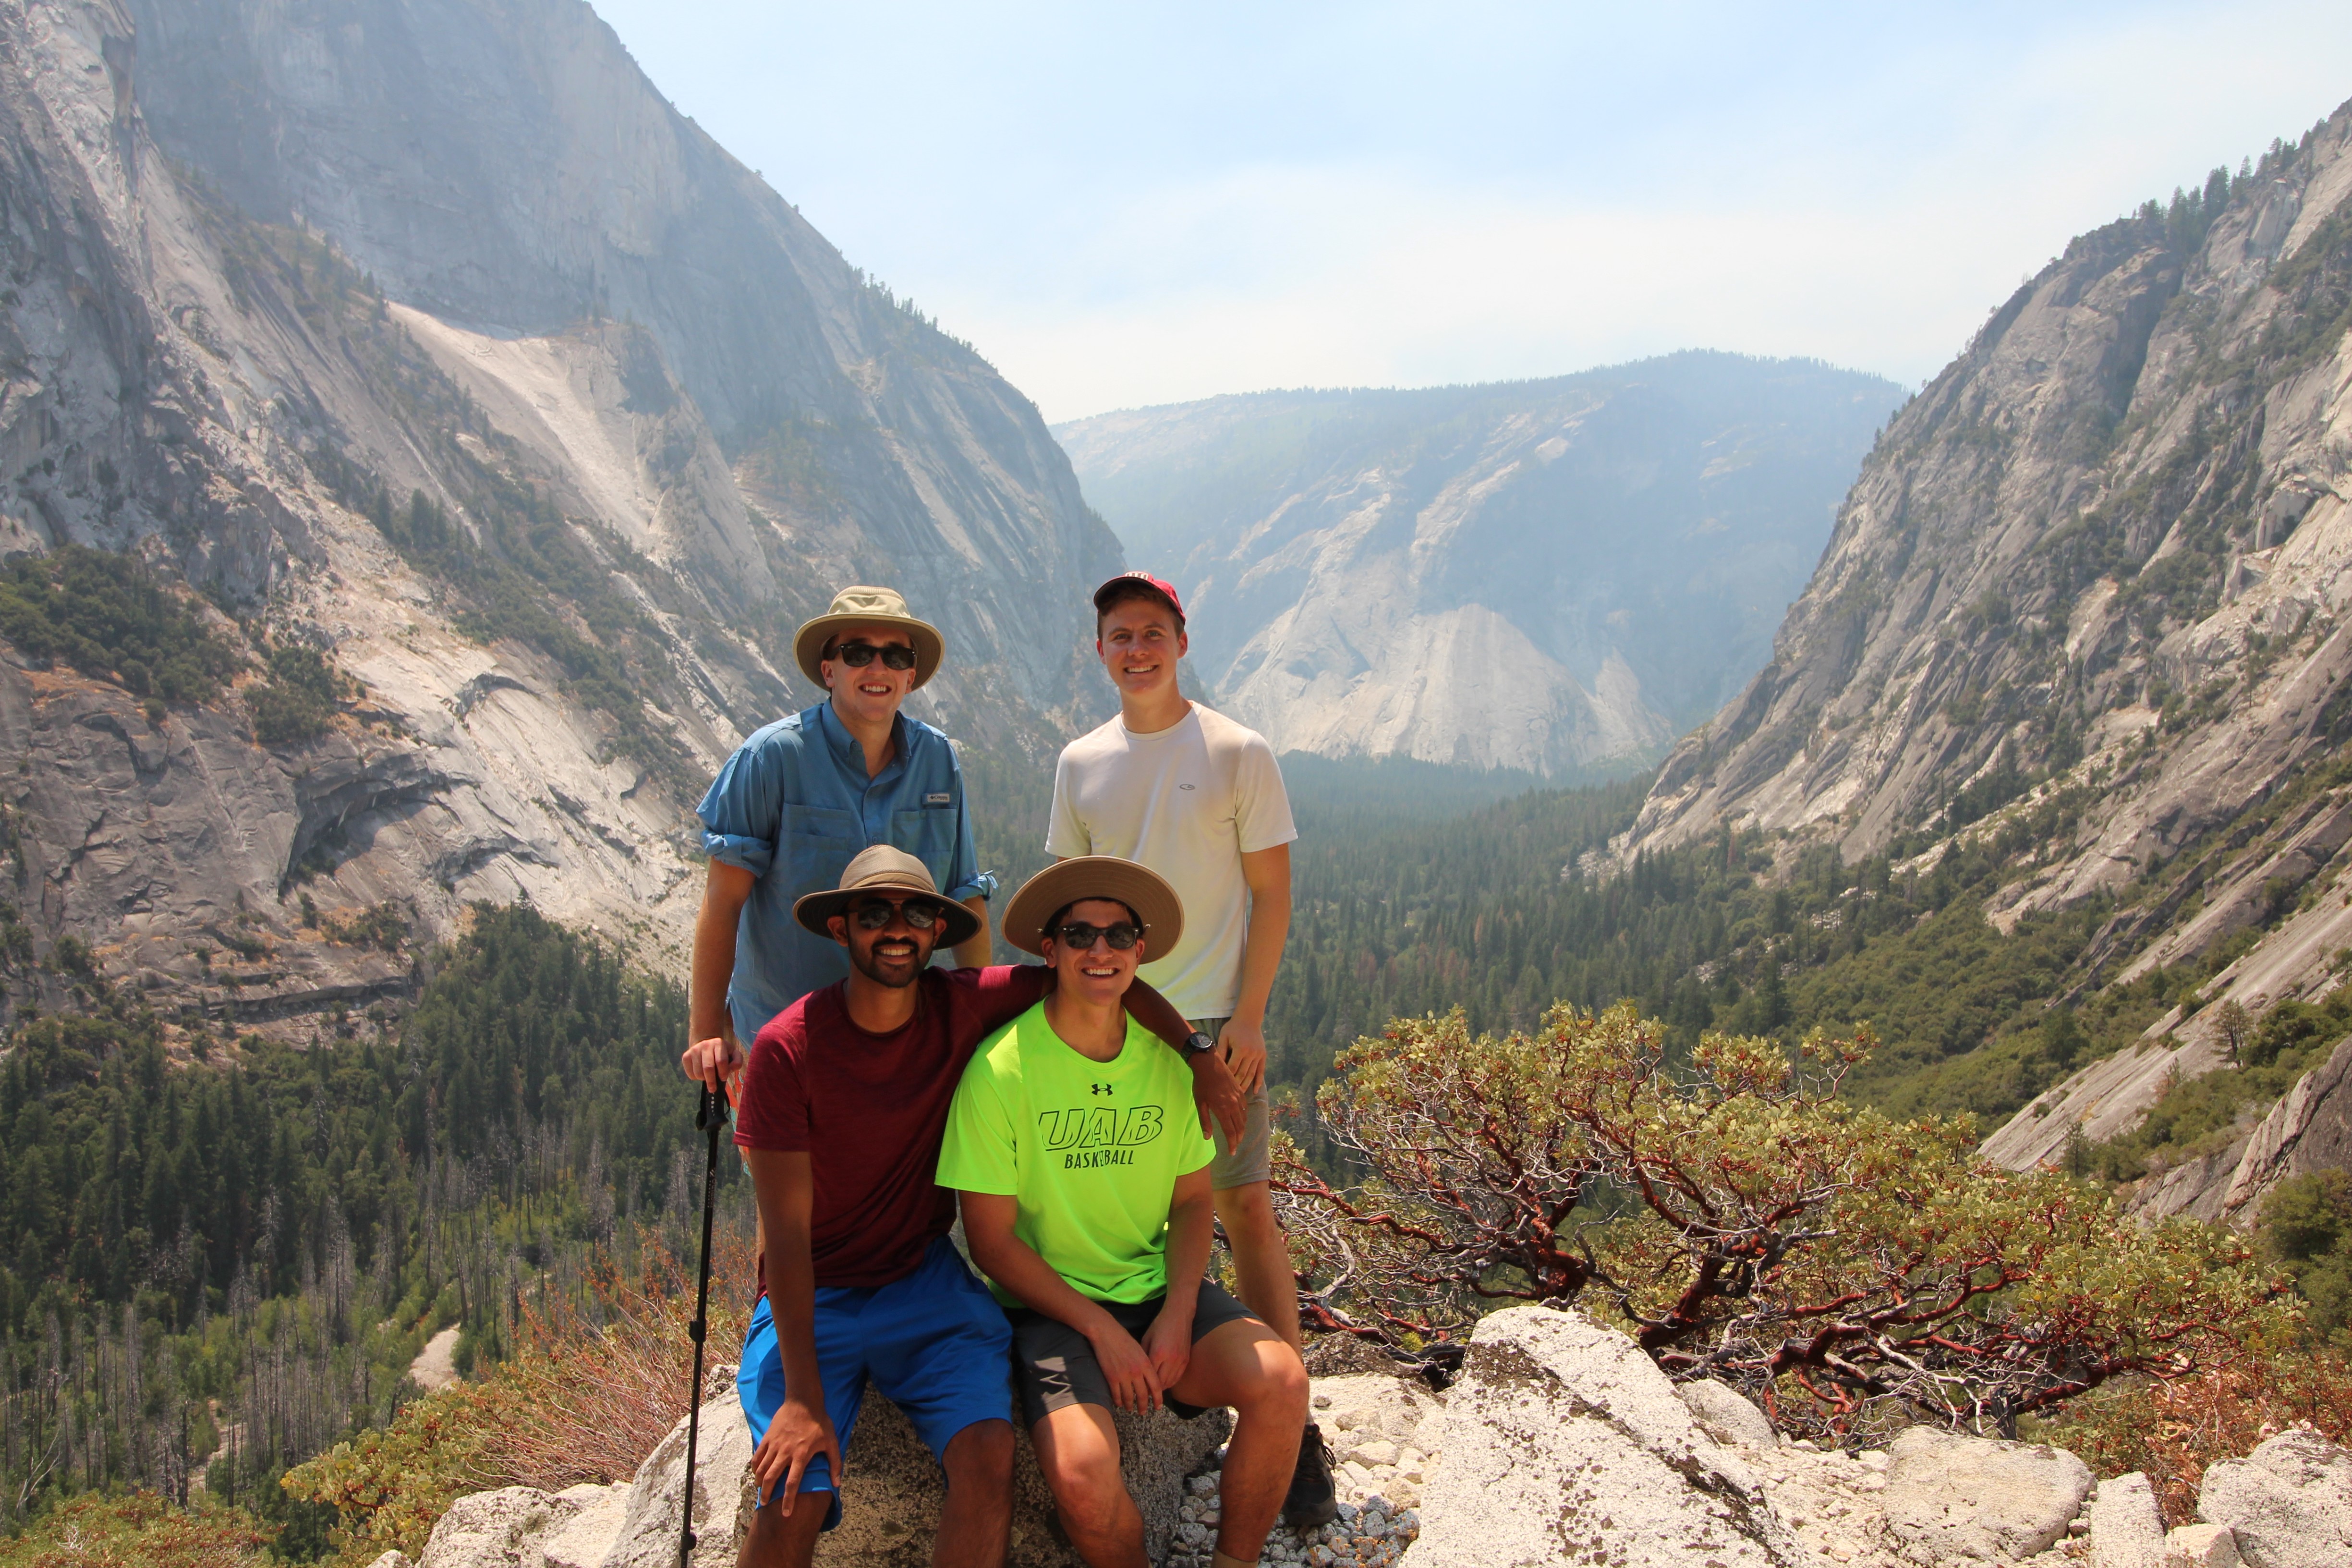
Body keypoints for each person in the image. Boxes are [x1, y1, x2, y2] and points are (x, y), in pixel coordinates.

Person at [697, 846, 1245, 1568]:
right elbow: (788, 1238)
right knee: (796, 1490)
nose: (897, 929)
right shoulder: (786, 1049)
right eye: (874, 915)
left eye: (917, 913)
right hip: (818, 1287)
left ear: (936, 931)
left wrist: (1195, 1050)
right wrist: (801, 1398)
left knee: (989, 1453)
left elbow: (1099, 978)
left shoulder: (962, 1002)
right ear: (841, 930)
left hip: (921, 1279)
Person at [1043, 571, 1333, 1524]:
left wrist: (1247, 1020)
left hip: (1211, 1017)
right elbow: (1070, 903)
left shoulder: (1237, 750)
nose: (1138, 649)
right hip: (1115, 1017)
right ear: (1101, 651)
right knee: (1139, 1202)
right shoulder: (1079, 761)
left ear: (1181, 640)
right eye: (1120, 635)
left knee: (1244, 1205)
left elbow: (1273, 893)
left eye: (1153, 633)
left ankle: (1296, 1429)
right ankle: (1156, 1363)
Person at [940, 858, 1310, 1568]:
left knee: (1283, 1382)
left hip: (1153, 1289)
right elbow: (990, 1244)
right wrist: (1101, 1329)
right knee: (1082, 1473)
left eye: (1119, 934)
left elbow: (1195, 1199)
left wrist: (1176, 1309)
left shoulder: (1170, 1065)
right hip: (1051, 1309)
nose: (1099, 950)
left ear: (1141, 950)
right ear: (1048, 950)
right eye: (1078, 933)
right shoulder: (1000, 1071)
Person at [690, 585, 993, 1088]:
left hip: (903, 1041)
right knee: (786, 1170)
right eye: (857, 653)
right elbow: (723, 903)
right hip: (783, 1040)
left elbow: (964, 891)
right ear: (828, 670)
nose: (878, 668)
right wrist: (705, 1035)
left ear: (911, 676)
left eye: (895, 655)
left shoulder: (938, 761)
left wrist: (981, 1026)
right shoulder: (770, 758)